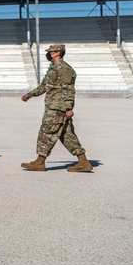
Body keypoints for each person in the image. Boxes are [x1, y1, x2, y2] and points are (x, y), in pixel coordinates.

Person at [21, 44, 92, 172]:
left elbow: (68, 89)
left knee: (46, 132)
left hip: (58, 108)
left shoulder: (64, 69)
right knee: (66, 135)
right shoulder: (53, 68)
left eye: (51, 52)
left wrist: (69, 108)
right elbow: (44, 86)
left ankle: (40, 161)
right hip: (54, 106)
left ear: (58, 53)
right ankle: (83, 161)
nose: (49, 54)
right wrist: (30, 95)